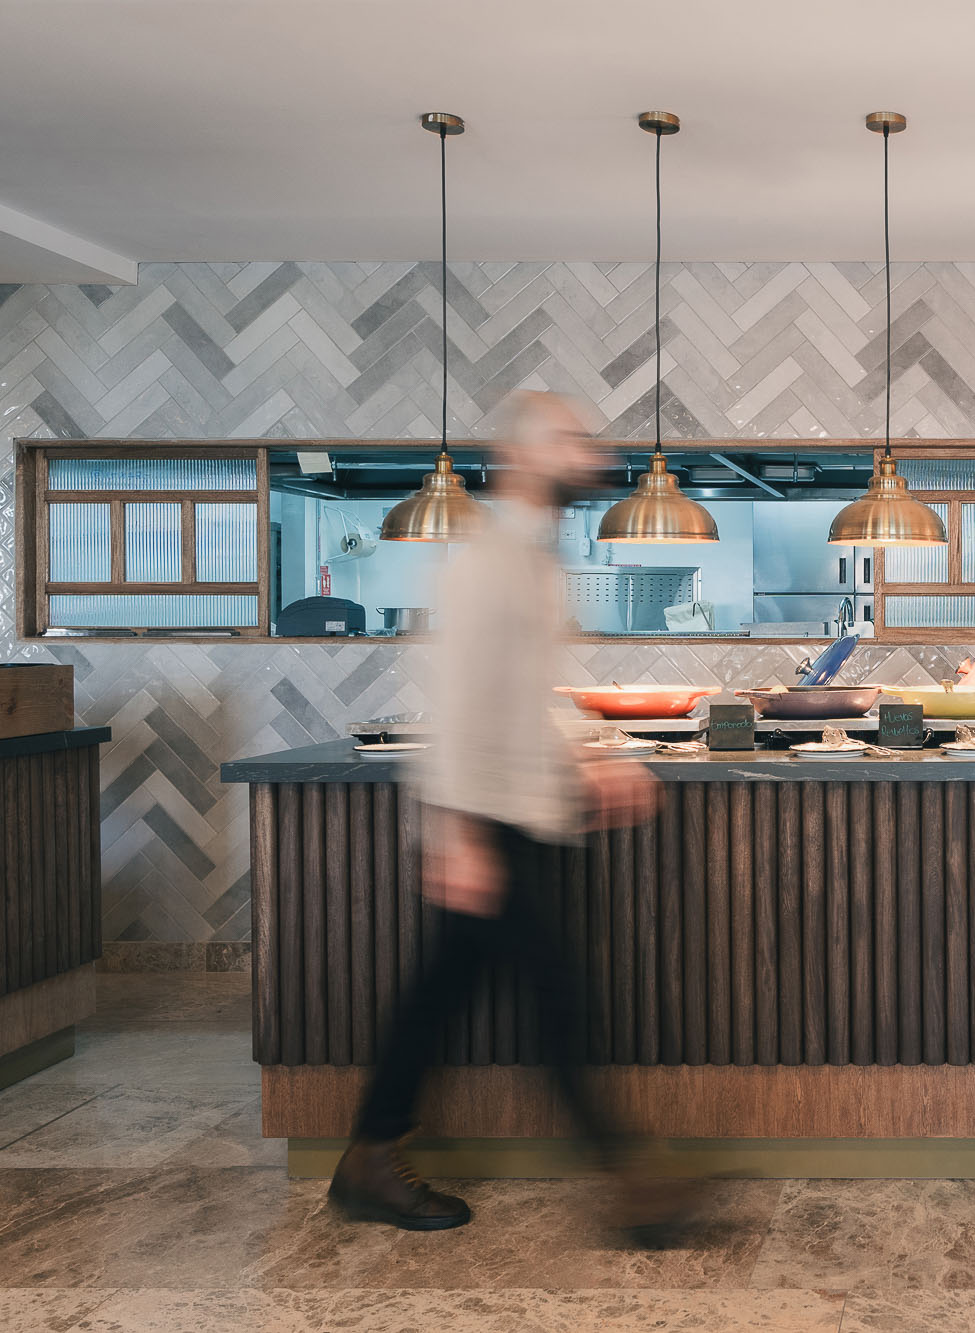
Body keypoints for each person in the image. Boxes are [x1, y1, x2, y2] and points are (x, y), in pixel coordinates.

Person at [328, 391, 672, 1242]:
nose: (587, 454)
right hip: (489, 821)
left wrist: (586, 757)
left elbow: (520, 693)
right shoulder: (487, 559)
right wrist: (455, 834)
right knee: (558, 1000)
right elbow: (455, 697)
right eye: (568, 440)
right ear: (523, 456)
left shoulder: (533, 558)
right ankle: (636, 1183)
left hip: (518, 813)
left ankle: (369, 1157)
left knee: (442, 994)